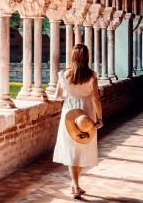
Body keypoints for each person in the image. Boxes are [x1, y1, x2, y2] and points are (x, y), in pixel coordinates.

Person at [53, 44, 103, 199]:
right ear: (87, 57)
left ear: (72, 56)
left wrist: (70, 94)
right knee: (81, 147)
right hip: (86, 114)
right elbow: (95, 98)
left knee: (72, 148)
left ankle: (75, 184)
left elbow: (57, 96)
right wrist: (100, 117)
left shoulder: (63, 74)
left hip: (69, 114)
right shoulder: (91, 75)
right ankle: (76, 185)